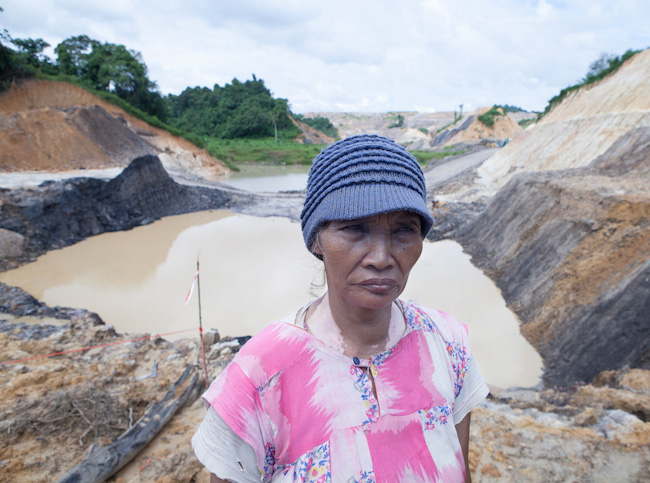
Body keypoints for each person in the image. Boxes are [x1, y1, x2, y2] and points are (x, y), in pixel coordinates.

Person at [192, 134, 489, 482]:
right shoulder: (257, 380)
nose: (381, 258)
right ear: (317, 240)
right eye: (354, 228)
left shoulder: (448, 344)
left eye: (404, 230)